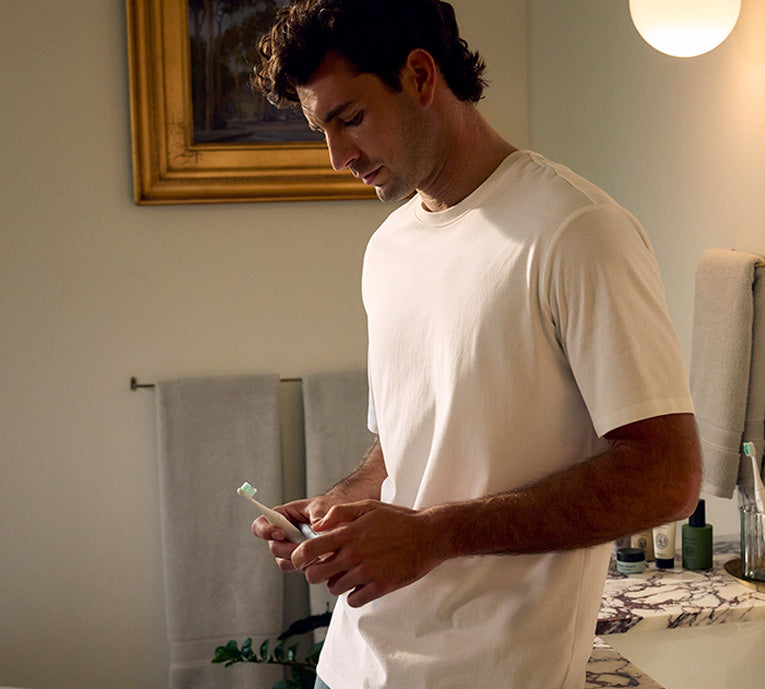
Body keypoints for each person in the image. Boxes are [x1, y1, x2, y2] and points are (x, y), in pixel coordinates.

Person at [249, 2, 702, 687]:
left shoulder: (576, 231)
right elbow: (409, 446)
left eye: (350, 119)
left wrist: (434, 535)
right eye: (323, 130)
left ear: (421, 76)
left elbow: (668, 476)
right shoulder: (389, 249)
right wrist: (334, 508)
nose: (338, 158)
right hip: (352, 666)